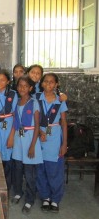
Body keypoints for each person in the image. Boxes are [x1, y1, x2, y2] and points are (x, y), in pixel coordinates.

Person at [7, 75, 43, 214]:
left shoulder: (34, 103)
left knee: (29, 172)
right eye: (19, 85)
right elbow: (15, 122)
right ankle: (18, 192)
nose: (22, 88)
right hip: (18, 138)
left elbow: (37, 125)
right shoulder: (17, 102)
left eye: (25, 86)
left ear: (31, 88)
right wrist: (11, 137)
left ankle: (29, 199)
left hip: (29, 139)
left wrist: (33, 145)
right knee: (17, 168)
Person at [36, 73, 68, 213]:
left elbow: (64, 123)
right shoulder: (36, 98)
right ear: (41, 83)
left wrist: (64, 143)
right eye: (46, 82)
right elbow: (31, 120)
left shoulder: (60, 101)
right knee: (40, 169)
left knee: (54, 170)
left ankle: (55, 199)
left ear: (56, 85)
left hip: (54, 138)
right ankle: (45, 196)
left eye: (51, 82)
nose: (48, 84)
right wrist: (39, 132)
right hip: (38, 137)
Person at [0, 69, 18, 190]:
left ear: (8, 81)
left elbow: (16, 115)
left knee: (8, 157)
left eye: (2, 79)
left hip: (8, 124)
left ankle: (6, 187)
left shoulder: (13, 94)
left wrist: (12, 135)